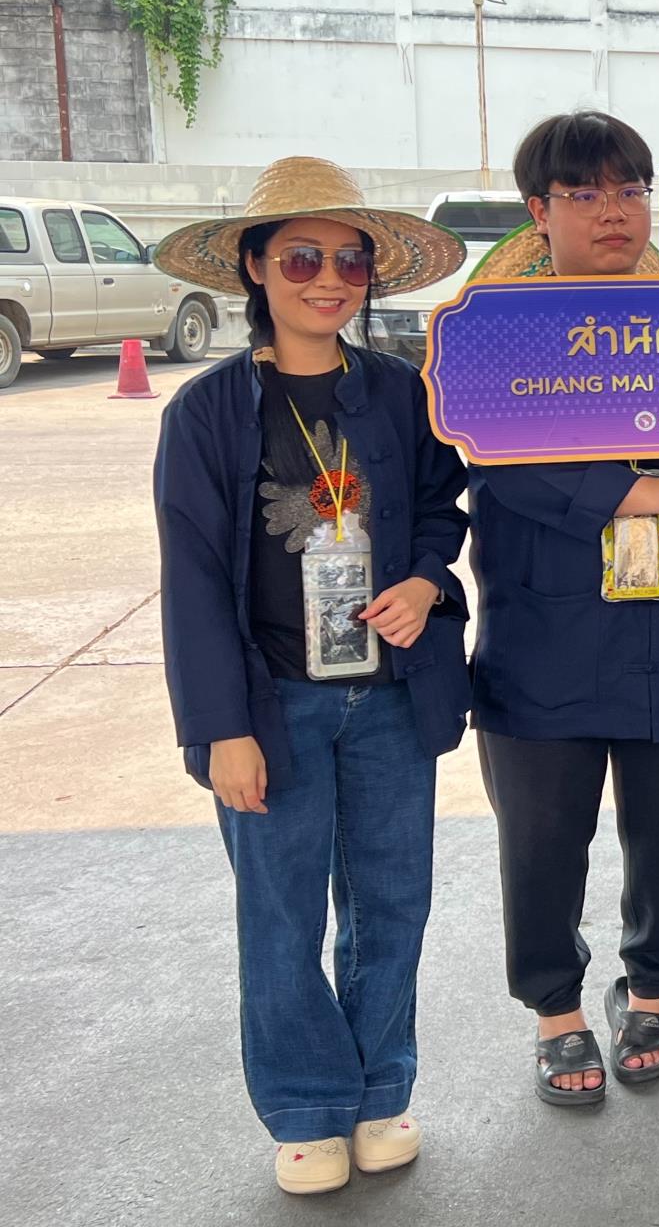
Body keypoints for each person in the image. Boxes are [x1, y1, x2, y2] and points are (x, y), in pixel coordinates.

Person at [152, 157, 472, 1193]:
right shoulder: (205, 413)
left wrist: (424, 581)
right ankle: (305, 1106)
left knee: (392, 903)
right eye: (300, 258)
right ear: (254, 266)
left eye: (349, 260)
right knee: (282, 912)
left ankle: (378, 1092)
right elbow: (194, 580)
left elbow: (442, 509)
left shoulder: (401, 393)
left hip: (390, 696)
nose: (328, 279)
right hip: (272, 704)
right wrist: (220, 728)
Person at [467, 112, 659, 1106]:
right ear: (538, 212)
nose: (612, 212)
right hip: (544, 639)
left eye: (630, 190)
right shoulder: (497, 331)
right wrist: (647, 493)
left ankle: (654, 992)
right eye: (584, 194)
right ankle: (556, 1011)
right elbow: (501, 462)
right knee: (542, 840)